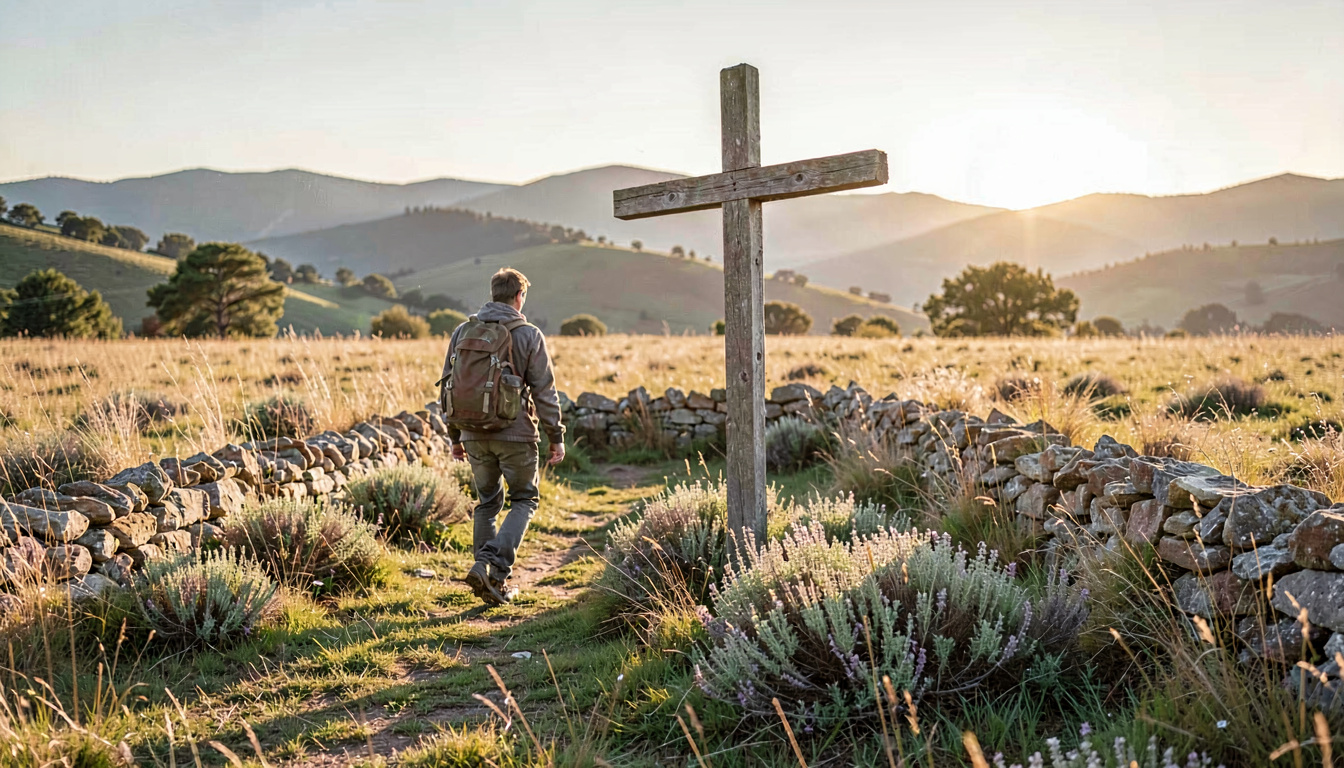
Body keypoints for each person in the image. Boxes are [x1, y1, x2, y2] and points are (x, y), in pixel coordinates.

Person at [446, 267, 565, 606]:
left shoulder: (462, 331)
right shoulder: (528, 334)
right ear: (518, 297)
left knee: (487, 504)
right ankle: (492, 568)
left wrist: (455, 436)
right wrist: (555, 435)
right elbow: (544, 391)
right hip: (515, 434)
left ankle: (487, 575)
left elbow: (450, 386)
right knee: (524, 499)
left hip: (471, 433)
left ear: (492, 294)